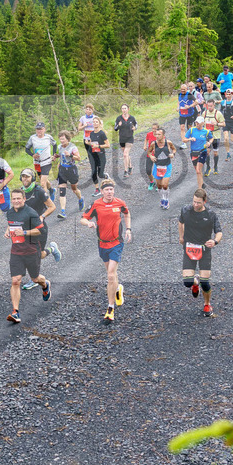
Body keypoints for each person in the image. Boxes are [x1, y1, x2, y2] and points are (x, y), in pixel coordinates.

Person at [80, 179, 131, 324]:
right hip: (102, 244)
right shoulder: (96, 204)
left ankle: (110, 309)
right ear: (101, 192)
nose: (109, 192)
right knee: (111, 274)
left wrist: (128, 229)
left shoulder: (119, 203)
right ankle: (118, 288)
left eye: (111, 190)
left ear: (114, 191)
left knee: (110, 275)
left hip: (116, 243)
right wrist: (89, 223)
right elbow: (83, 218)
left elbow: (127, 214)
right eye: (106, 190)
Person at [3, 187, 52, 323]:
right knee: (15, 280)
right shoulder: (10, 212)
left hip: (31, 251)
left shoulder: (31, 213)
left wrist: (24, 233)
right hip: (16, 252)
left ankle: (46, 284)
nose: (16, 201)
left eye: (19, 198)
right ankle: (15, 312)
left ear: (24, 199)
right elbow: (11, 224)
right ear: (11, 200)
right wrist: (8, 231)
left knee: (36, 279)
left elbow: (40, 231)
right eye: (14, 199)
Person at [178, 189, 223, 317]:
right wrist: (181, 237)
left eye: (198, 203)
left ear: (204, 201)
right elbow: (180, 222)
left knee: (205, 282)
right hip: (189, 248)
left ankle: (207, 304)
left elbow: (219, 232)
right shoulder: (186, 210)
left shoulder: (210, 215)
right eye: (194, 202)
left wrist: (214, 241)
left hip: (204, 250)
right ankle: (194, 282)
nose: (195, 205)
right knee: (187, 282)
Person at [19, 168, 62, 290]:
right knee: (33, 255)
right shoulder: (20, 192)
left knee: (34, 256)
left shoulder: (39, 191)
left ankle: (34, 278)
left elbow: (52, 206)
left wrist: (42, 216)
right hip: (26, 229)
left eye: (27, 176)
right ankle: (52, 249)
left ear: (32, 178)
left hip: (39, 229)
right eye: (23, 176)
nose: (25, 179)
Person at [185, 104, 217, 189]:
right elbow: (184, 139)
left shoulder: (206, 131)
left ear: (203, 123)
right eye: (196, 122)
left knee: (199, 170)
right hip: (193, 153)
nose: (197, 124)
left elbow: (211, 138)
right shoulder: (191, 130)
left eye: (198, 123)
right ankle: (202, 183)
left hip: (203, 152)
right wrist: (189, 139)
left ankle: (200, 189)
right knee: (197, 171)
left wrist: (209, 143)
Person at [55, 130, 85, 219]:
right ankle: (63, 211)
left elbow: (78, 158)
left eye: (63, 139)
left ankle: (80, 199)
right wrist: (56, 156)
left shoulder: (73, 147)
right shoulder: (59, 147)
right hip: (62, 169)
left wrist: (70, 155)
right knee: (62, 190)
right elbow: (60, 155)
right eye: (60, 139)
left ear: (68, 139)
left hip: (72, 170)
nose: (61, 141)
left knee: (74, 189)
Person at [24, 122, 57, 201]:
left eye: (41, 129)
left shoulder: (48, 137)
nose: (39, 131)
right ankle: (52, 190)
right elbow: (26, 149)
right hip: (37, 163)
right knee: (43, 179)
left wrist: (54, 154)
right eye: (37, 129)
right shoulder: (32, 138)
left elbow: (55, 144)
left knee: (42, 183)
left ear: (44, 129)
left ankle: (46, 203)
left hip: (47, 161)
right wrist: (32, 155)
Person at [195, 98, 225, 177]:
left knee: (215, 153)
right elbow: (200, 122)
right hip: (207, 135)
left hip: (215, 135)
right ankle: (208, 167)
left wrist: (217, 124)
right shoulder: (204, 113)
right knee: (207, 152)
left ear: (214, 105)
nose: (209, 108)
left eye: (211, 106)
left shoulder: (218, 113)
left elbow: (223, 124)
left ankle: (215, 167)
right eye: (208, 106)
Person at [147, 127, 176, 209]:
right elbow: (149, 152)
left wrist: (173, 154)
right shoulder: (153, 144)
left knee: (165, 185)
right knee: (159, 186)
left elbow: (174, 149)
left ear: (163, 135)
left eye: (159, 134)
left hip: (167, 166)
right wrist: (151, 156)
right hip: (157, 166)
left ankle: (166, 200)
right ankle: (162, 199)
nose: (157, 136)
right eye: (156, 134)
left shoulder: (168, 143)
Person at [85, 118, 110, 196]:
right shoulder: (91, 133)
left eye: (96, 122)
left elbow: (108, 145)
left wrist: (98, 146)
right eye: (94, 122)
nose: (95, 123)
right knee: (93, 172)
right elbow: (93, 144)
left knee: (100, 174)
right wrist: (88, 143)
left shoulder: (102, 133)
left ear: (99, 123)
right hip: (93, 155)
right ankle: (97, 189)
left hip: (101, 155)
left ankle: (105, 176)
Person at [113, 105, 137, 179]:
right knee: (126, 154)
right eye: (122, 108)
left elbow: (136, 125)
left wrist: (134, 128)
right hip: (122, 139)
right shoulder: (119, 118)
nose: (124, 110)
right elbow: (115, 128)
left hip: (129, 138)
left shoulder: (132, 118)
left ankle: (126, 171)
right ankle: (130, 167)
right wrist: (118, 125)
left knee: (125, 154)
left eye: (125, 108)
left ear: (128, 109)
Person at [77, 103, 99, 180]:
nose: (88, 110)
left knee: (95, 153)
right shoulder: (83, 118)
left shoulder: (95, 117)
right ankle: (93, 170)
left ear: (92, 110)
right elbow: (79, 128)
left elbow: (100, 126)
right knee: (90, 155)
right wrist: (84, 126)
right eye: (87, 109)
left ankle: (97, 168)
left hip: (94, 138)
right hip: (86, 138)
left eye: (90, 109)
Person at [177, 83, 195, 149]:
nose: (182, 91)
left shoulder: (190, 95)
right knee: (182, 127)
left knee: (189, 127)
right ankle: (184, 143)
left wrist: (189, 106)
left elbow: (196, 102)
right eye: (181, 89)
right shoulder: (179, 94)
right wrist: (178, 107)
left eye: (184, 89)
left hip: (189, 113)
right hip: (182, 114)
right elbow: (178, 101)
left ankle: (193, 140)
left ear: (186, 89)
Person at [144, 122, 159, 190]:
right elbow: (146, 139)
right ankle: (152, 182)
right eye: (153, 128)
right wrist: (145, 145)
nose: (153, 130)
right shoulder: (149, 134)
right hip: (149, 154)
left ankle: (159, 184)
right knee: (148, 170)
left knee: (158, 170)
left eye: (155, 129)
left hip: (158, 155)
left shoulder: (160, 135)